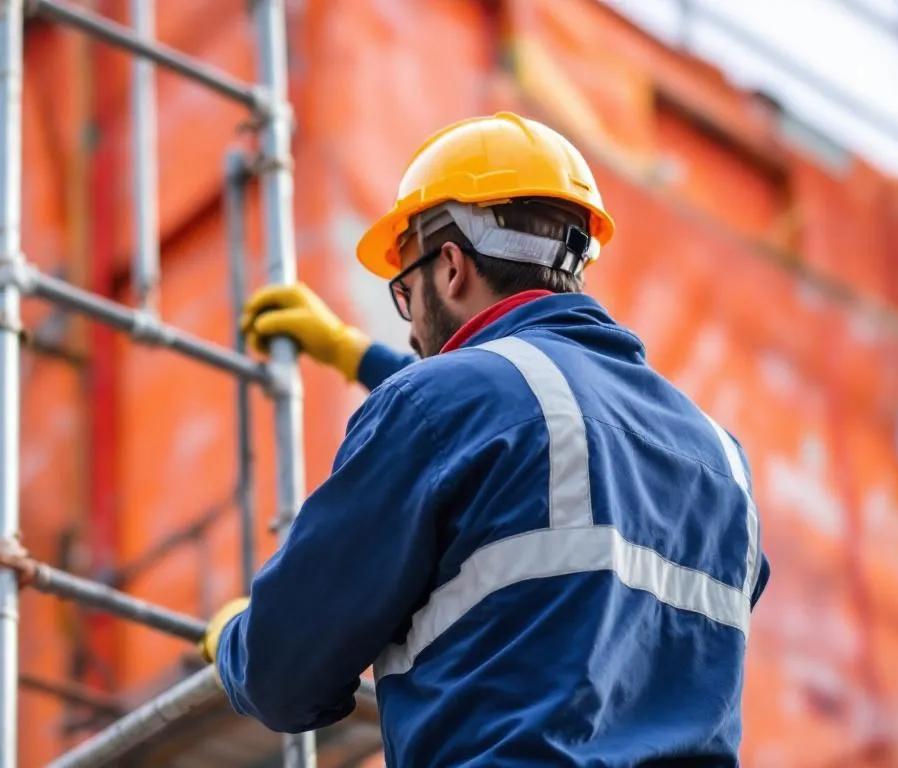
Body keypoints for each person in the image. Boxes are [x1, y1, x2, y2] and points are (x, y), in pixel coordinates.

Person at [197, 112, 771, 767]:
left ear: (450, 267)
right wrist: (356, 357)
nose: (412, 331)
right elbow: (535, 433)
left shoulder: (443, 406)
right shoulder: (722, 463)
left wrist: (235, 643)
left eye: (405, 295)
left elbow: (284, 674)